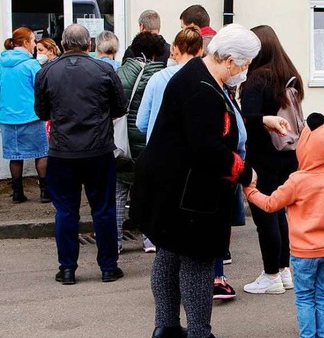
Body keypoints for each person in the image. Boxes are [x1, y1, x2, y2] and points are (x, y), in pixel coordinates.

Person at [130, 24, 290, 338]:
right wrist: (246, 173)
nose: (244, 72)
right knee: (198, 260)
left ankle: (166, 325)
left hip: (170, 184)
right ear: (229, 59)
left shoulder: (196, 74)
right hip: (191, 190)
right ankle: (200, 336)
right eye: (244, 65)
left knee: (169, 251)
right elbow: (209, 147)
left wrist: (262, 121)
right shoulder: (202, 88)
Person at [244, 112, 324, 338]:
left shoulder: (297, 181)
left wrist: (250, 192)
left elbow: (271, 204)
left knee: (305, 296)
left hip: (304, 252)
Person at [34, 24, 127, 285]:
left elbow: (41, 112)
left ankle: (67, 269)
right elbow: (119, 107)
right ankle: (108, 267)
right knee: (104, 209)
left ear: (63, 44)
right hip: (97, 149)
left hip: (63, 151)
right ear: (89, 45)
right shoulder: (104, 69)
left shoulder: (47, 72)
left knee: (65, 210)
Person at [240, 25, 305, 295]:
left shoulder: (256, 80)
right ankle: (284, 270)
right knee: (281, 214)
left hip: (263, 155)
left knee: (266, 213)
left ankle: (271, 275)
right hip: (289, 153)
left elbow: (251, 120)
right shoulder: (290, 76)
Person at [115, 32, 165, 253]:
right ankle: (150, 238)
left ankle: (114, 241)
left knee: (119, 191)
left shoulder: (119, 73)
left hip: (122, 140)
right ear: (156, 52)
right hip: (150, 141)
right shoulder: (162, 76)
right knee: (150, 191)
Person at [0, 27, 49, 203]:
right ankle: (44, 192)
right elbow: (41, 88)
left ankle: (17, 192)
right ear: (26, 42)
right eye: (33, 40)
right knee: (41, 153)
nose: (35, 44)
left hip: (7, 117)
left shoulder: (1, 62)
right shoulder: (31, 64)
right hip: (31, 116)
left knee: (15, 156)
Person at [137, 27, 203, 142]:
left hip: (158, 150)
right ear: (201, 51)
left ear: (174, 48)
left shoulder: (157, 78)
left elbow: (141, 123)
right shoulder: (206, 80)